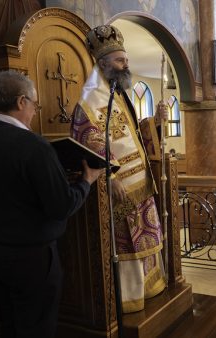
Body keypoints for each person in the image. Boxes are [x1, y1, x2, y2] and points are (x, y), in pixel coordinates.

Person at [0, 70, 103, 338]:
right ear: (21, 102)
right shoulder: (34, 146)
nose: (35, 111)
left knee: (12, 322)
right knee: (37, 327)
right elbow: (61, 206)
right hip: (30, 258)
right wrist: (86, 181)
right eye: (34, 104)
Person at [70, 25, 167, 313]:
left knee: (147, 238)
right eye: (120, 61)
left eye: (126, 60)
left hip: (141, 182)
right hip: (119, 188)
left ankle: (152, 288)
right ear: (103, 64)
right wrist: (109, 175)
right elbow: (88, 140)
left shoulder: (120, 96)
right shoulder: (89, 103)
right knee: (128, 243)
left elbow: (133, 133)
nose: (127, 65)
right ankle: (128, 298)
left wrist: (156, 122)